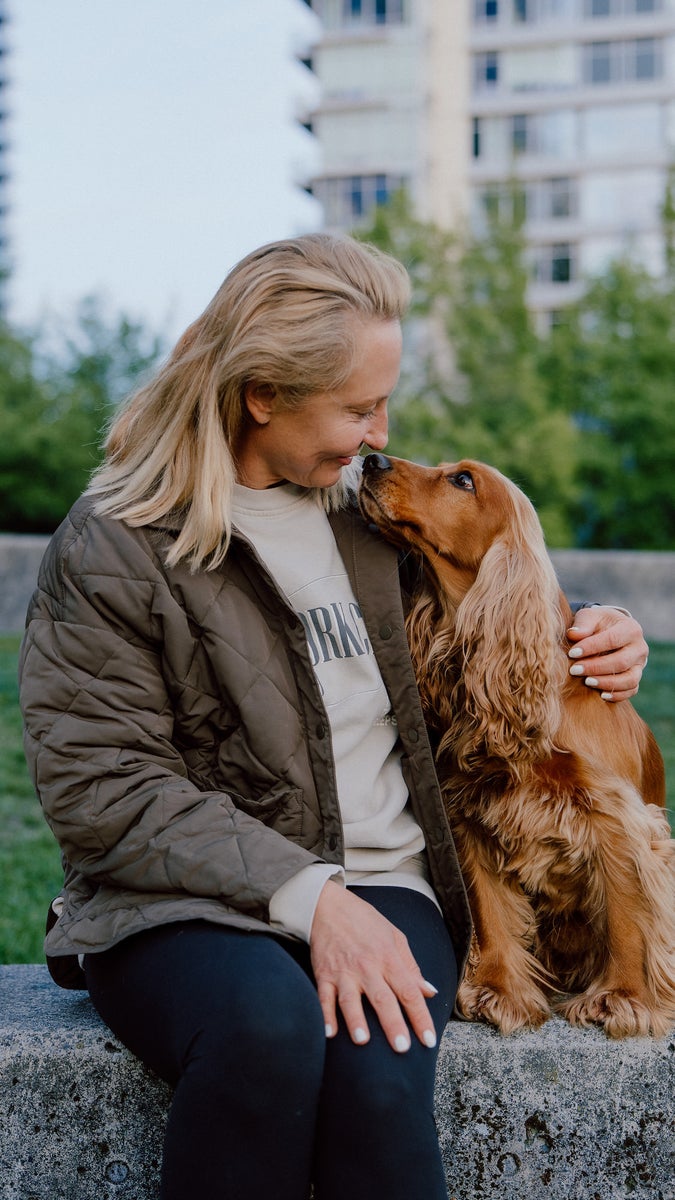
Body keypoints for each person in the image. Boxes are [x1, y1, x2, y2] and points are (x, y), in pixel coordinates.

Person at [19, 233, 649, 1200]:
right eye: (357, 408)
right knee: (262, 1035)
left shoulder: (373, 521)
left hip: (390, 880)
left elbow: (501, 608)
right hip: (178, 904)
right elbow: (105, 790)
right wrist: (312, 900)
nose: (378, 432)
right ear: (261, 394)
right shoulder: (114, 546)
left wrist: (603, 640)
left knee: (379, 1078)